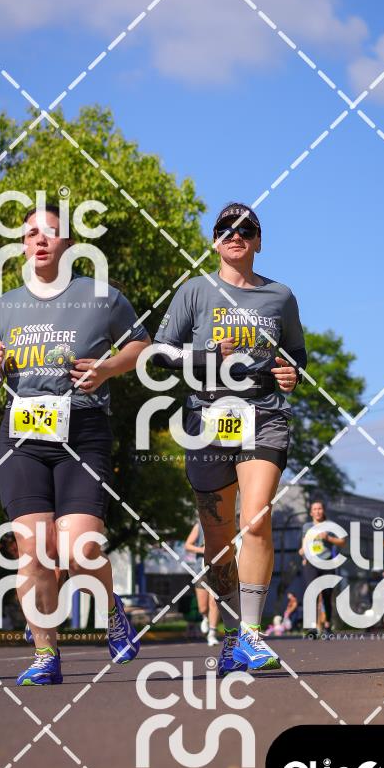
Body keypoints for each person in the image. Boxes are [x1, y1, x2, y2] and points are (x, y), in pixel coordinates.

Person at [0, 203, 151, 685]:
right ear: (22, 245)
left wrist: (108, 368)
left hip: (84, 431)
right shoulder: (4, 306)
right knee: (33, 551)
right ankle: (45, 655)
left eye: (49, 232)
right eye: (30, 233)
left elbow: (141, 345)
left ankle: (112, 612)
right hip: (23, 437)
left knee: (79, 551)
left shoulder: (101, 296)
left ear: (68, 244)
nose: (39, 239)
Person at [152, 202, 307, 675]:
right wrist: (205, 356)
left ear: (258, 241)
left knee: (256, 519)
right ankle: (233, 635)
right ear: (215, 241)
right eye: (225, 229)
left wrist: (291, 373)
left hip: (263, 414)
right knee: (219, 540)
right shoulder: (195, 291)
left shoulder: (280, 296)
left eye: (246, 229)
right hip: (208, 417)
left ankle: (253, 635)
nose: (235, 235)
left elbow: (295, 355)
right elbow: (159, 353)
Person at [298, 499, 347, 637]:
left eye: (319, 508)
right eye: (315, 509)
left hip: (327, 562)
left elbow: (343, 542)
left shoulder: (330, 525)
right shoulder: (307, 526)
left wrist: (328, 538)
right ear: (311, 512)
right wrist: (303, 553)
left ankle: (327, 625)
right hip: (311, 563)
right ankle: (312, 627)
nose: (317, 511)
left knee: (326, 594)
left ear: (323, 510)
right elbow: (304, 543)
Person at [184, 519, 219, 646]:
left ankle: (212, 633)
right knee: (203, 607)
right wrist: (202, 549)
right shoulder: (199, 526)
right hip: (201, 570)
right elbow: (187, 545)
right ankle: (205, 617)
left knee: (214, 602)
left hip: (218, 570)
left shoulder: (224, 524)